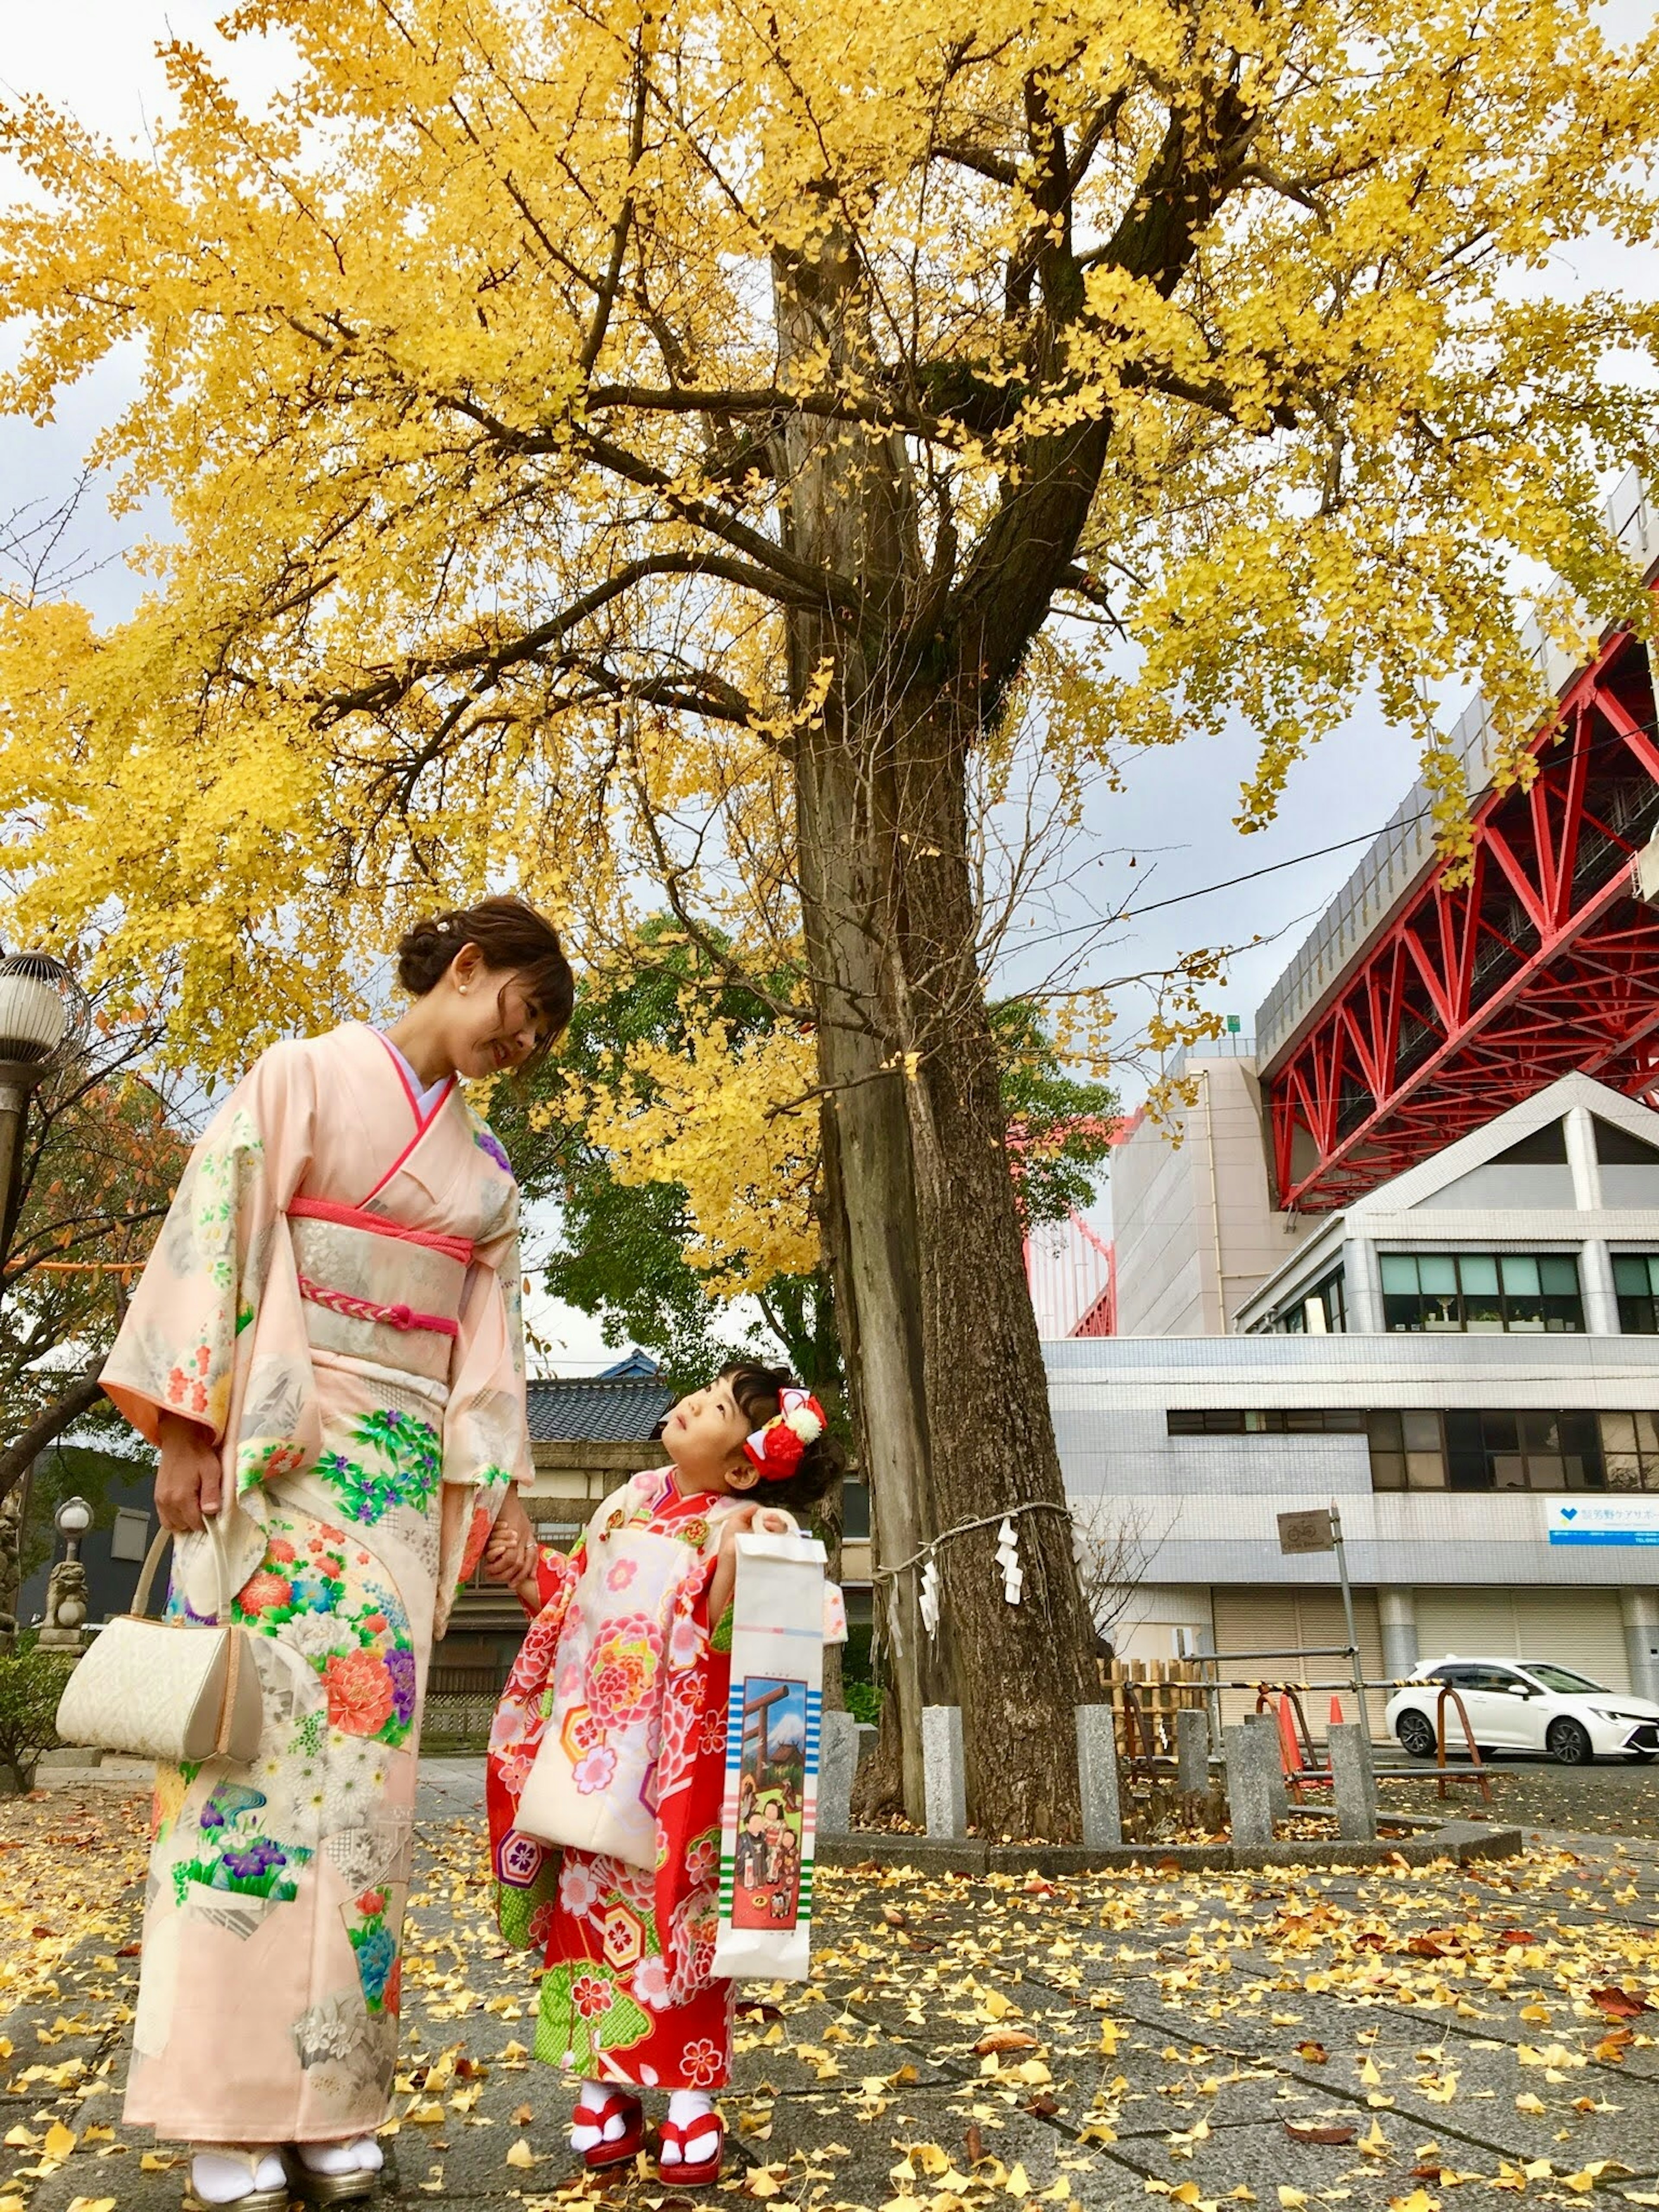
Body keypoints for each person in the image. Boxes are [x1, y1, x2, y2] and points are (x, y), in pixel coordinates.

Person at [100, 897, 570, 2210]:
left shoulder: (485, 1179)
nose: (510, 1053)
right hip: (279, 1449)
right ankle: (218, 2108)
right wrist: (188, 1426)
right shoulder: (301, 1075)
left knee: (365, 1796)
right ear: (465, 969)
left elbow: (489, 1353)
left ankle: (330, 2098)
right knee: (240, 1772)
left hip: (397, 1487)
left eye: (529, 1046)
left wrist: (502, 1494)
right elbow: (220, 1238)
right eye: (513, 1020)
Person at [486, 1364, 844, 2188]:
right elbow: (573, 1598)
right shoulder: (629, 1502)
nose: (692, 1403)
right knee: (587, 1908)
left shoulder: (741, 1523)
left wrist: (741, 1555)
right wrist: (523, 1570)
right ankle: (603, 2088)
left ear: (745, 1467)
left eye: (718, 1407)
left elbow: (729, 1624)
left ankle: (689, 2096)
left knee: (677, 1920)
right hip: (594, 1743)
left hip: (677, 1762)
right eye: (707, 1391)